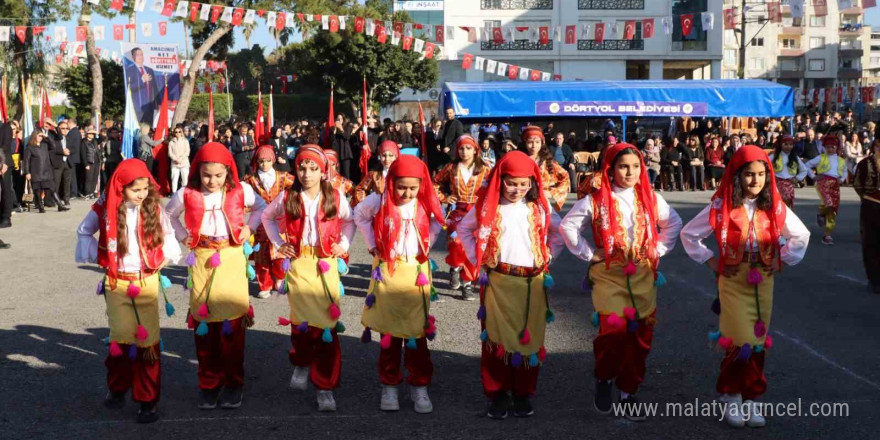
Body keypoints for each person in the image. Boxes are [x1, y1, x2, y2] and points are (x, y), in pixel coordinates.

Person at [680, 145, 810, 428]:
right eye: (749, 174)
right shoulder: (721, 205)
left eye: (761, 174)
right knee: (738, 338)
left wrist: (782, 262)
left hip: (763, 280)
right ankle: (731, 394)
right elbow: (689, 234)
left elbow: (801, 235)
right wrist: (712, 261)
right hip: (733, 279)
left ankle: (751, 396)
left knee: (758, 340)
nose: (755, 181)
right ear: (737, 176)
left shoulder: (774, 206)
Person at [560, 143, 682, 421]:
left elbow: (673, 223)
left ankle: (628, 390)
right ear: (611, 169)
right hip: (609, 275)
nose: (630, 172)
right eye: (623, 166)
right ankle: (604, 378)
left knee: (640, 337)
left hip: (642, 274)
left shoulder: (651, 198)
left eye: (636, 166)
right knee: (613, 332)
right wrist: (590, 254)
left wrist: (657, 250)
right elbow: (568, 226)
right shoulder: (596, 200)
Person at [457, 151, 564, 419]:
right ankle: (498, 393)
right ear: (499, 180)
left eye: (523, 183)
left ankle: (523, 393)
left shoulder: (540, 207)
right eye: (511, 183)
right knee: (496, 340)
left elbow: (557, 232)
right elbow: (462, 230)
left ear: (532, 183)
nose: (517, 189)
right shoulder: (485, 206)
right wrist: (477, 259)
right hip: (498, 281)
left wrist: (549, 253)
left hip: (532, 282)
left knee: (530, 339)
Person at [76, 158, 181, 424]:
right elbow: (84, 231)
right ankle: (118, 386)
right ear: (120, 188)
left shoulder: (154, 209)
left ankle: (148, 400)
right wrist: (98, 255)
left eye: (145, 189)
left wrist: (166, 256)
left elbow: (168, 234)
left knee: (148, 344)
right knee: (121, 339)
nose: (142, 195)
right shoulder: (104, 208)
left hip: (147, 281)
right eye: (136, 190)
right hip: (117, 282)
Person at [165, 142, 267, 410]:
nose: (212, 181)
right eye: (206, 175)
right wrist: (182, 235)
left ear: (228, 172)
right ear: (198, 171)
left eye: (219, 175)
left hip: (232, 259)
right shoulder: (185, 194)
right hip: (200, 260)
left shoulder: (241, 191)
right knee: (205, 325)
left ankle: (234, 384)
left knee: (232, 325)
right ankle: (209, 383)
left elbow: (262, 207)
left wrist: (249, 228)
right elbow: (167, 215)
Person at [261, 146, 355, 412]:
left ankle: (325, 385)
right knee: (301, 323)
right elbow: (267, 217)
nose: (306, 173)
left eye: (313, 168)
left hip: (325, 264)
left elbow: (350, 222)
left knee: (326, 325)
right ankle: (302, 361)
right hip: (300, 264)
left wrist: (344, 244)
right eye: (302, 167)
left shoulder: (334, 195)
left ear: (323, 170)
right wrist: (279, 243)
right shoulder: (287, 196)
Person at [353, 154, 445, 414]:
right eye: (401, 186)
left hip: (416, 272)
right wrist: (372, 244)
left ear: (421, 186)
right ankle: (389, 385)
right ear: (391, 182)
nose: (406, 193)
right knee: (389, 333)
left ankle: (420, 385)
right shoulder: (379, 200)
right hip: (388, 271)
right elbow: (359, 214)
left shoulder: (425, 202)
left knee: (417, 332)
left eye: (412, 188)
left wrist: (427, 243)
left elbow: (439, 219)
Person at [432, 135, 491, 301]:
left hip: (477, 213)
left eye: (468, 148)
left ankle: (467, 284)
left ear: (475, 149)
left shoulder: (485, 168)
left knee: (473, 246)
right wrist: (444, 197)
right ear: (457, 150)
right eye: (461, 148)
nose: (465, 151)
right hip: (456, 213)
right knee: (456, 244)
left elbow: (494, 186)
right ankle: (455, 267)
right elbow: (435, 183)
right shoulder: (451, 167)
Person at [243, 146, 296, 298]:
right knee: (261, 255)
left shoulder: (283, 176)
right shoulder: (250, 180)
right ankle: (264, 284)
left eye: (267, 161)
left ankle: (280, 278)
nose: (264, 164)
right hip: (259, 223)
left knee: (280, 252)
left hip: (279, 221)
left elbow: (298, 187)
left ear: (273, 160)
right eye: (261, 161)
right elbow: (241, 195)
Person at [804, 135, 847, 245]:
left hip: (835, 185)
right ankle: (821, 213)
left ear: (836, 148)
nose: (830, 149)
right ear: (824, 147)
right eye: (828, 147)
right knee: (827, 203)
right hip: (822, 182)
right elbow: (807, 165)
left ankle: (827, 235)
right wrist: (813, 176)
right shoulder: (820, 157)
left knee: (833, 208)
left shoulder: (841, 160)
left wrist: (841, 179)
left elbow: (845, 171)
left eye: (833, 147)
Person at [519, 126, 570, 212]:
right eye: (530, 142)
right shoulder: (518, 159)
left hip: (541, 202)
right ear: (525, 143)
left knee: (556, 224)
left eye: (537, 142)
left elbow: (565, 177)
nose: (534, 146)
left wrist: (552, 192)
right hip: (520, 202)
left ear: (542, 143)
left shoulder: (547, 162)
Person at [853, 139, 880, 294]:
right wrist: (867, 198)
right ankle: (874, 279)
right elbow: (858, 185)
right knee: (871, 242)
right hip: (871, 204)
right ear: (875, 144)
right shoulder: (864, 163)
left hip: (871, 203)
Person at [24, 131, 68, 212]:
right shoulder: (29, 147)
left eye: (41, 136)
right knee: (37, 191)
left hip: (46, 172)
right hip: (36, 172)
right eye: (39, 136)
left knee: (52, 189)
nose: (40, 138)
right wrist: (27, 172)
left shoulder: (44, 145)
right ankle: (41, 207)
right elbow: (26, 161)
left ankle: (60, 205)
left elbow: (53, 145)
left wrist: (46, 136)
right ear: (34, 136)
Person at [353, 141, 398, 206]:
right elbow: (360, 189)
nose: (387, 159)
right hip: (377, 211)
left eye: (391, 155)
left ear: (396, 156)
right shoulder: (374, 174)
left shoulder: (402, 174)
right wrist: (366, 204)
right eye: (384, 155)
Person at [768, 135, 808, 207]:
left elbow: (804, 170)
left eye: (790, 144)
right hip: (777, 183)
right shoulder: (774, 156)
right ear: (781, 145)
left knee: (787, 205)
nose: (788, 146)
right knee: (777, 204)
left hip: (789, 184)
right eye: (785, 144)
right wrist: (771, 177)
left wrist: (797, 178)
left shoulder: (795, 157)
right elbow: (765, 165)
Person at [125, 47, 160, 125]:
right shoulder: (129, 71)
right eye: (138, 55)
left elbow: (155, 88)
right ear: (133, 57)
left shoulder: (149, 70)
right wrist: (142, 81)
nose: (140, 56)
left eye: (141, 54)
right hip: (137, 107)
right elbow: (129, 88)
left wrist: (159, 103)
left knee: (148, 129)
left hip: (150, 107)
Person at [168, 127, 191, 194]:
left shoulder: (185, 141)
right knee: (174, 179)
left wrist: (181, 158)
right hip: (175, 163)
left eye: (179, 132)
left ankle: (184, 193)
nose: (178, 133)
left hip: (184, 162)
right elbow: (170, 153)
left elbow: (187, 152)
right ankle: (174, 193)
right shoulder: (171, 142)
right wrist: (175, 159)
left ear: (182, 132)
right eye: (176, 132)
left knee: (185, 179)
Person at [82, 127, 103, 199]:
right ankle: (87, 193)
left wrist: (97, 132)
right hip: (89, 162)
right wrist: (86, 164)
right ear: (87, 134)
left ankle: (91, 193)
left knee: (95, 178)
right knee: (89, 178)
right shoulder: (84, 142)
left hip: (96, 162)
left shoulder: (95, 141)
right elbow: (83, 154)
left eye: (92, 134)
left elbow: (103, 138)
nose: (91, 135)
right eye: (90, 133)